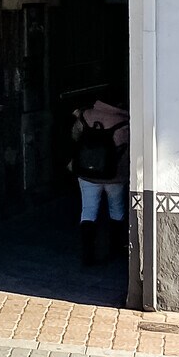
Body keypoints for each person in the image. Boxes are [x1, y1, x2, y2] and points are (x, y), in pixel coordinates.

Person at [70, 96, 129, 265]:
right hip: (114, 175)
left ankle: (87, 254)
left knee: (88, 210)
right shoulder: (124, 121)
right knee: (117, 209)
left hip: (86, 173)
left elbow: (75, 136)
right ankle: (115, 249)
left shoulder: (86, 115)